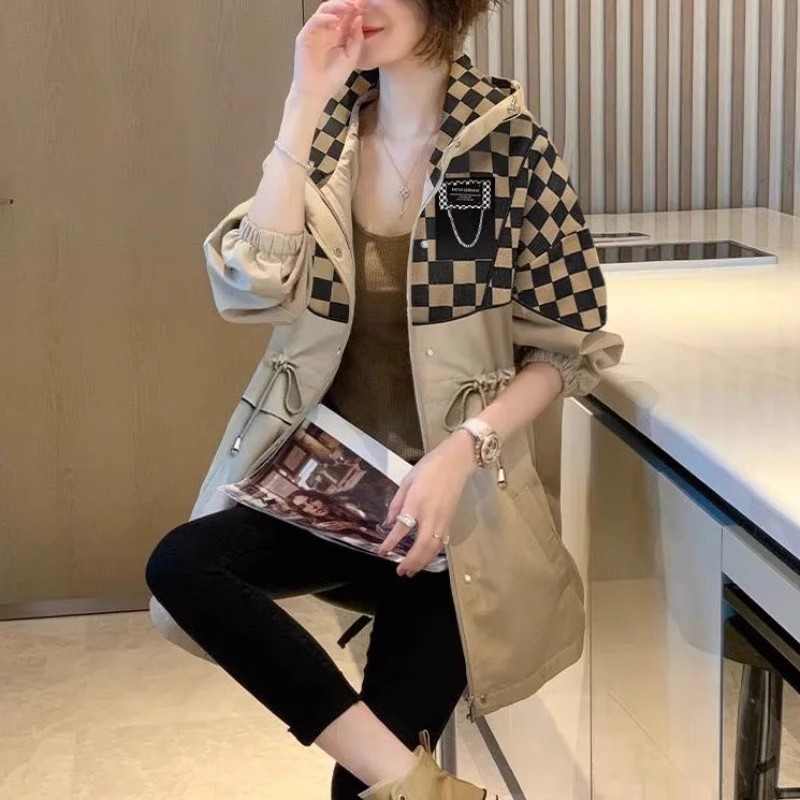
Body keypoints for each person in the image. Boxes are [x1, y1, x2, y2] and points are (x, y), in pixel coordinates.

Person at [144, 1, 624, 799]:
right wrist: (302, 101)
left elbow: (567, 349)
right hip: (328, 500)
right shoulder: (324, 138)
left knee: (357, 789)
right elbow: (252, 287)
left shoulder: (510, 147)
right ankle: (420, 785)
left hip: (452, 523)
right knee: (183, 564)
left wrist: (464, 448)